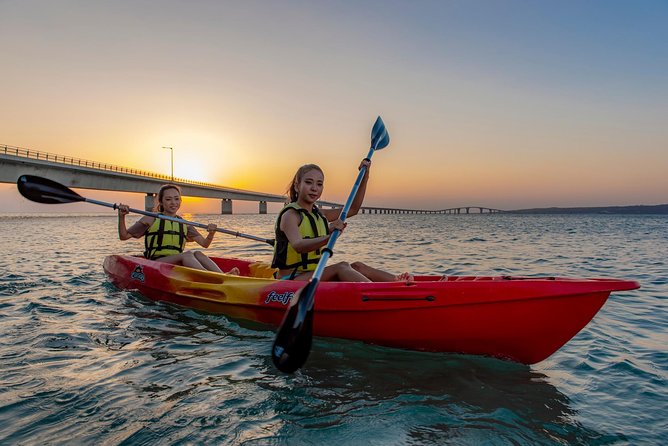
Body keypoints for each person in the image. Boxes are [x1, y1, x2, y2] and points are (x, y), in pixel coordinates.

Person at [271, 160, 412, 282]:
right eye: (308, 182)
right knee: (342, 267)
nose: (314, 188)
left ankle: (397, 282)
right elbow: (299, 245)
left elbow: (353, 209)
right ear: (297, 186)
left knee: (357, 266)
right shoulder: (291, 215)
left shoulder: (320, 214)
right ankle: (377, 295)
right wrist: (329, 237)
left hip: (313, 274)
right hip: (290, 279)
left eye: (319, 184)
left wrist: (365, 176)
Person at [117, 183, 238, 274]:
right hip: (155, 263)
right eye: (168, 199)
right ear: (161, 202)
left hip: (176, 262)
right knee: (187, 255)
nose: (173, 203)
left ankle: (223, 276)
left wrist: (211, 233)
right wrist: (121, 216)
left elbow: (204, 244)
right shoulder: (151, 218)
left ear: (180, 200)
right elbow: (124, 236)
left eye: (176, 199)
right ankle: (211, 278)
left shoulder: (183, 223)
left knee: (198, 253)